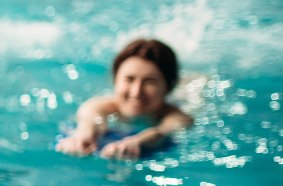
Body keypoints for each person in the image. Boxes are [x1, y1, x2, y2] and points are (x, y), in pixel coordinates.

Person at [56, 38, 194, 160]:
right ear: (115, 81)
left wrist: (137, 141)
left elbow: (160, 132)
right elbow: (89, 122)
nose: (136, 92)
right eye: (129, 79)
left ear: (168, 87)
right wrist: (82, 137)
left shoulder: (178, 116)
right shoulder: (96, 106)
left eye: (150, 81)